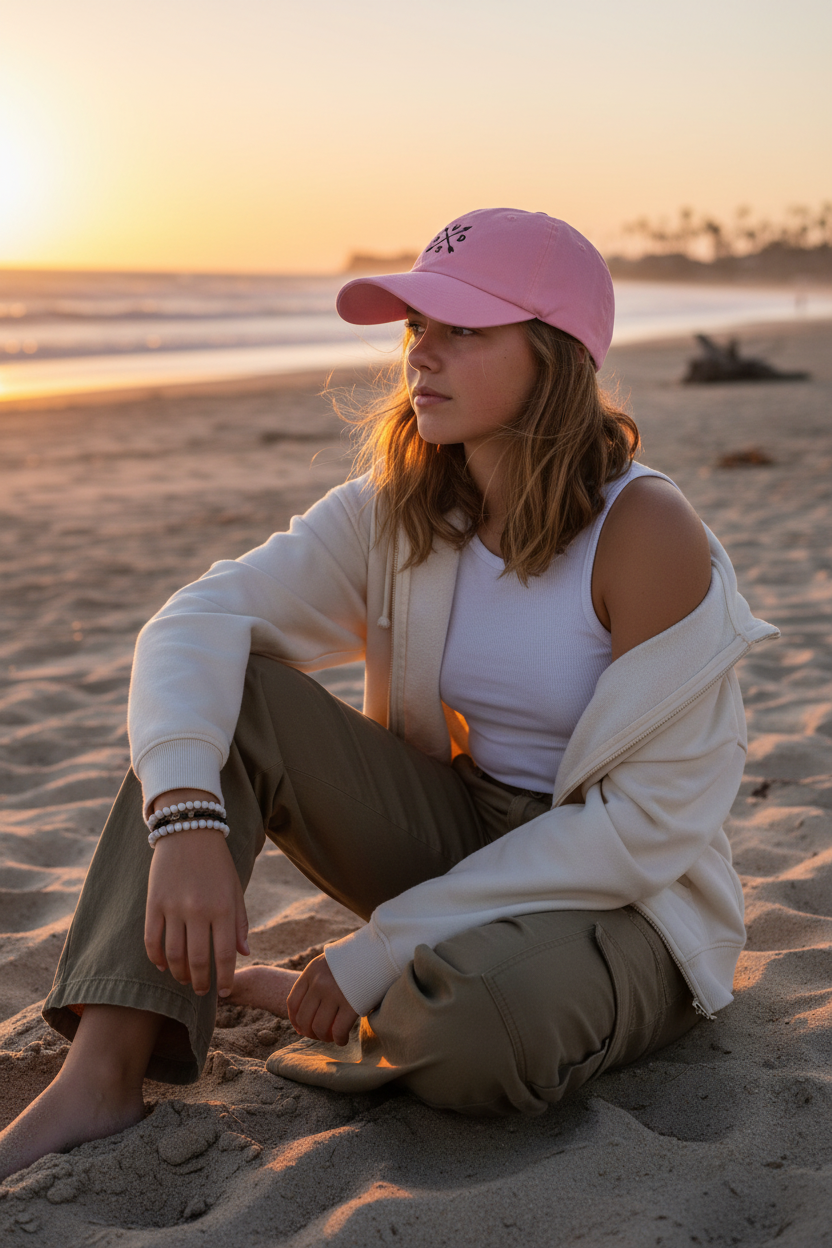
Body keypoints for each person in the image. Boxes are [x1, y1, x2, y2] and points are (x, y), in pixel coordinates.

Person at [0, 208, 778, 1177]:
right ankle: (100, 1077)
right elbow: (196, 622)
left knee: (477, 1032)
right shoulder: (403, 505)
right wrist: (185, 818)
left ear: (555, 351)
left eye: (463, 330)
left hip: (628, 893)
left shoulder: (644, 527)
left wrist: (375, 951)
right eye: (416, 327)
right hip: (461, 825)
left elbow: (650, 825)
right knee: (226, 696)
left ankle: (367, 999)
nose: (422, 356)